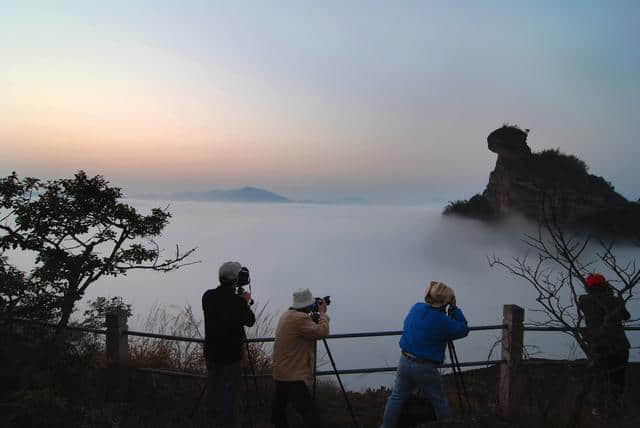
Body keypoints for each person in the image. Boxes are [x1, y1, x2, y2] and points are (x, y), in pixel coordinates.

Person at [381, 281, 469, 427]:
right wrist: (454, 308)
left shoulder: (416, 307)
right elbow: (463, 329)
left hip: (405, 359)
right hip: (424, 366)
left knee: (396, 397)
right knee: (439, 401)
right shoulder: (442, 321)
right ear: (444, 302)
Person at [202, 261, 256, 428]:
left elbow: (225, 310)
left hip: (211, 354)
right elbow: (250, 320)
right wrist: (245, 301)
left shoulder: (208, 296)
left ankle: (212, 423)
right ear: (235, 279)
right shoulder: (238, 302)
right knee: (229, 397)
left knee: (214, 393)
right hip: (231, 357)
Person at [271, 288, 330, 428]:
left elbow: (303, 327)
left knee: (279, 413)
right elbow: (322, 332)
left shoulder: (287, 314)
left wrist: (313, 318)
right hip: (293, 375)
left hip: (281, 371)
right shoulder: (300, 319)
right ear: (306, 305)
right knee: (311, 414)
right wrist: (322, 313)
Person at [578, 273, 631, 416]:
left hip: (598, 345)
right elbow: (626, 316)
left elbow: (592, 308)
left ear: (588, 287)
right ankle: (616, 407)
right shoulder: (614, 300)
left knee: (600, 378)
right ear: (604, 285)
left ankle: (599, 409)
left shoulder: (583, 300)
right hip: (619, 345)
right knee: (618, 379)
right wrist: (613, 296)